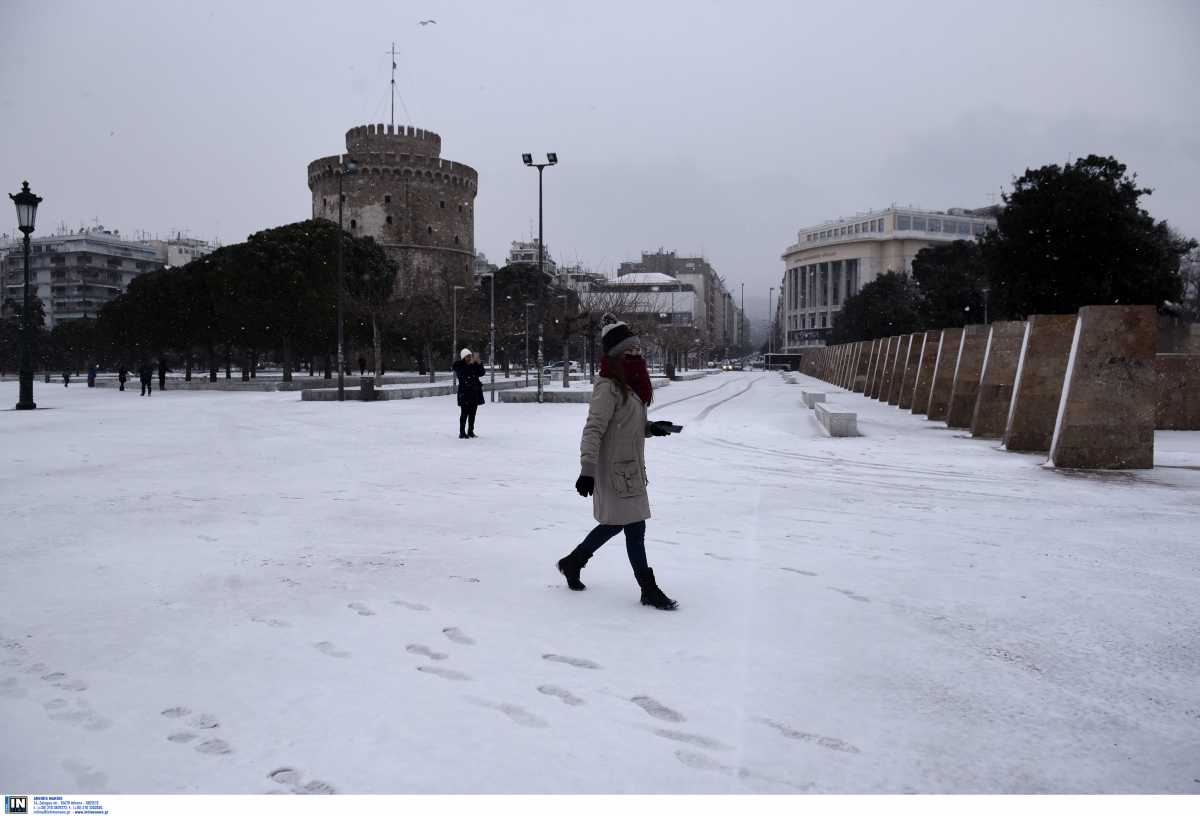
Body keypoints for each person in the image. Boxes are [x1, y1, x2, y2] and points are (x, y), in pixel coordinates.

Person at [557, 316, 682, 610]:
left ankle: (573, 562)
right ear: (615, 355)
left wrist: (653, 427)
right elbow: (594, 429)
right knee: (632, 526)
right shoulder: (608, 387)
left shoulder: (630, 385)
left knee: (618, 525)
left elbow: (628, 426)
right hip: (613, 472)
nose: (636, 355)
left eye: (638, 350)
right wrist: (587, 471)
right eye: (629, 351)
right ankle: (648, 588)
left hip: (630, 469)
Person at [452, 348, 485, 439]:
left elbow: (481, 373)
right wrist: (470, 365)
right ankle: (462, 432)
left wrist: (479, 363)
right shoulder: (459, 365)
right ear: (463, 357)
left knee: (472, 414)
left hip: (474, 393)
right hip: (465, 393)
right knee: (464, 413)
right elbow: (463, 376)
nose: (469, 358)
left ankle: (470, 431)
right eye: (467, 356)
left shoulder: (472, 365)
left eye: (470, 356)